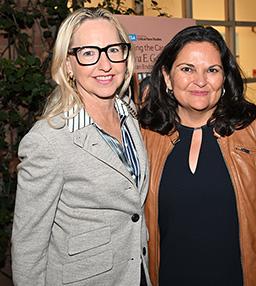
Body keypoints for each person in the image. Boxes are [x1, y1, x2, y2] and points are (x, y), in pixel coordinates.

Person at [139, 25, 256, 286]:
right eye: (187, 69)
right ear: (166, 77)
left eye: (212, 70)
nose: (200, 80)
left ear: (224, 77)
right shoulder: (144, 134)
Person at [11, 8, 151, 286]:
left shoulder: (132, 117)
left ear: (126, 57)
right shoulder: (48, 140)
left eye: (113, 50)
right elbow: (28, 246)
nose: (105, 64)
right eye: (89, 53)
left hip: (137, 274)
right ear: (68, 65)